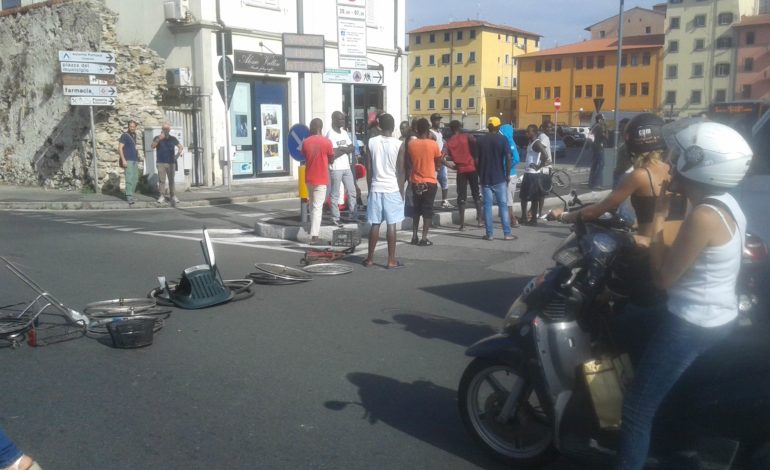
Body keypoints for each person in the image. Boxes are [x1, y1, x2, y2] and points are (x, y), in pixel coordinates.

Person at [615, 120, 752, 469]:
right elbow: (696, 254)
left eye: (679, 158)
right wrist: (650, 241)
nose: (671, 164)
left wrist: (658, 219)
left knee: (635, 409)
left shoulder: (703, 215)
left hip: (691, 323)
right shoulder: (724, 202)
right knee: (628, 321)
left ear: (699, 165)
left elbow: (662, 279)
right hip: (718, 313)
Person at [362, 113, 405, 269]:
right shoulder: (399, 144)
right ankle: (391, 260)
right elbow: (400, 171)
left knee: (375, 224)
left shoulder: (372, 142)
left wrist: (370, 188)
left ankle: (370, 259)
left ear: (380, 126)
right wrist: (401, 192)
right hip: (392, 188)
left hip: (375, 187)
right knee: (391, 224)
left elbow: (369, 168)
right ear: (393, 127)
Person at [475, 117, 514, 241]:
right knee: (503, 205)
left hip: (485, 178)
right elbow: (508, 157)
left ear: (488, 126)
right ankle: (507, 234)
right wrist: (507, 174)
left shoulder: (480, 141)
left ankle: (489, 234)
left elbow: (475, 160)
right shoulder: (503, 139)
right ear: (498, 127)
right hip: (499, 177)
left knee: (487, 206)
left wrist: (480, 173)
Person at [407, 118, 441, 246]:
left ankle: (414, 236)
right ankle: (424, 238)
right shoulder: (433, 144)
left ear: (416, 129)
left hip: (415, 181)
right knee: (427, 210)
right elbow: (438, 162)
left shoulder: (411, 144)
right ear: (428, 129)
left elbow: (409, 160)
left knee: (416, 210)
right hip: (429, 181)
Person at [443, 120, 482, 230]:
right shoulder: (467, 136)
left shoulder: (448, 142)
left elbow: (441, 158)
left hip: (460, 170)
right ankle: (479, 221)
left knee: (461, 197)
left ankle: (462, 224)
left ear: (451, 129)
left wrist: (451, 166)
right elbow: (476, 143)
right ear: (459, 127)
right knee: (476, 194)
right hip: (472, 168)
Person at [301, 118, 334, 245]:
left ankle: (312, 229)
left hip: (309, 177)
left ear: (311, 127)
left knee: (311, 205)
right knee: (317, 207)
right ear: (321, 127)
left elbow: (304, 156)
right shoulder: (327, 142)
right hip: (321, 177)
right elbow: (331, 158)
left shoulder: (306, 142)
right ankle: (314, 235)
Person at [326, 111, 359, 225]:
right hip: (335, 168)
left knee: (352, 191)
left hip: (346, 167)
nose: (343, 121)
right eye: (340, 119)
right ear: (334, 120)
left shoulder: (344, 133)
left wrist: (342, 149)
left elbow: (352, 147)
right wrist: (345, 149)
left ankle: (353, 215)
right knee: (335, 194)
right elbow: (333, 153)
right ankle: (335, 218)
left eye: (343, 119)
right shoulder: (330, 134)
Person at [519, 124, 551, 226]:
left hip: (533, 174)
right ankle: (524, 217)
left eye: (528, 131)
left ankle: (533, 219)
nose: (526, 133)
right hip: (527, 172)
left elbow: (545, 155)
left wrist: (538, 166)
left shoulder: (537, 143)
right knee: (523, 197)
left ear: (534, 132)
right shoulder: (530, 142)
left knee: (534, 198)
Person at [150, 122, 183, 206]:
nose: (165, 130)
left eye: (167, 129)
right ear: (162, 129)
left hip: (171, 163)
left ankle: (173, 196)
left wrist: (177, 156)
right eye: (164, 129)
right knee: (162, 180)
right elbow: (152, 146)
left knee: (171, 180)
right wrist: (159, 139)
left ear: (169, 130)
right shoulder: (157, 138)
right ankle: (162, 196)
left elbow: (180, 147)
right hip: (160, 162)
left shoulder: (173, 138)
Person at [499, 123, 521, 228]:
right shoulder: (505, 142)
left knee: (508, 200)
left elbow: (516, 159)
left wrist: (505, 167)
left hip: (509, 175)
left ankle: (512, 219)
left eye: (501, 132)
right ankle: (509, 218)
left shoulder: (510, 143)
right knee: (507, 199)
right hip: (507, 174)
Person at [429, 113, 451, 209]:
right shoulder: (430, 133)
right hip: (434, 161)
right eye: (436, 120)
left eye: (439, 119)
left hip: (442, 159)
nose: (438, 121)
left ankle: (444, 201)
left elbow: (442, 143)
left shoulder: (439, 132)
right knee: (433, 183)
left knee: (444, 180)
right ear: (432, 121)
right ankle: (431, 201)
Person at [118, 120, 140, 206]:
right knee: (129, 178)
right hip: (128, 160)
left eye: (133, 127)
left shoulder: (134, 135)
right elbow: (120, 148)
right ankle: (129, 196)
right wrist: (123, 160)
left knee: (135, 178)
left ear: (135, 127)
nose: (132, 128)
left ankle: (131, 194)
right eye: (131, 126)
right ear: (128, 126)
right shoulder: (124, 136)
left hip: (134, 160)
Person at [533, 122, 553, 220]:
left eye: (551, 128)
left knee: (539, 191)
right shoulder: (544, 137)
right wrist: (543, 163)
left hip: (542, 167)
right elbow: (543, 151)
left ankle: (534, 212)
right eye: (548, 127)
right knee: (542, 192)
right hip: (545, 167)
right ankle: (539, 213)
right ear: (544, 128)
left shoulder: (540, 136)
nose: (550, 129)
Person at [589, 114, 608, 189]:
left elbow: (590, 138)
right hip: (599, 149)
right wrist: (606, 128)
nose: (604, 121)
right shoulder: (599, 128)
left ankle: (591, 183)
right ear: (600, 120)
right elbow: (606, 137)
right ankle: (597, 183)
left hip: (595, 149)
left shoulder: (594, 127)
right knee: (601, 165)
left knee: (594, 165)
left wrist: (592, 145)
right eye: (603, 120)